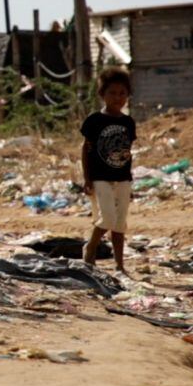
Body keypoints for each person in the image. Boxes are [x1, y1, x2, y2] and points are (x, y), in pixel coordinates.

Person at [81, 67, 136, 273]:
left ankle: (120, 265)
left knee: (120, 223)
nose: (117, 98)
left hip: (122, 177)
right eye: (112, 93)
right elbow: (85, 150)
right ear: (102, 94)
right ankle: (91, 247)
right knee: (108, 218)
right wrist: (87, 178)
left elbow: (127, 151)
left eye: (122, 93)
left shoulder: (128, 122)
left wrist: (129, 179)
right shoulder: (94, 120)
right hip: (100, 176)